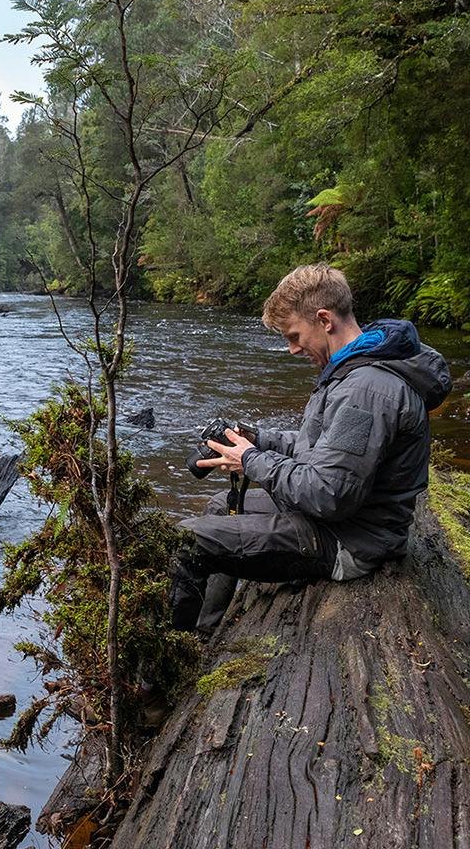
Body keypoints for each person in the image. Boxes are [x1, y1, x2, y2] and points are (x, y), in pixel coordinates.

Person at [170, 263, 452, 636]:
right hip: (345, 522)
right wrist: (257, 439)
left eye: (294, 335)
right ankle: (209, 632)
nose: (291, 349)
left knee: (185, 542)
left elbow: (330, 494)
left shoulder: (365, 390)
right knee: (221, 507)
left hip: (349, 541)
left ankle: (169, 665)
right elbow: (319, 448)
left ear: (324, 319)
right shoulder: (356, 368)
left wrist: (252, 460)